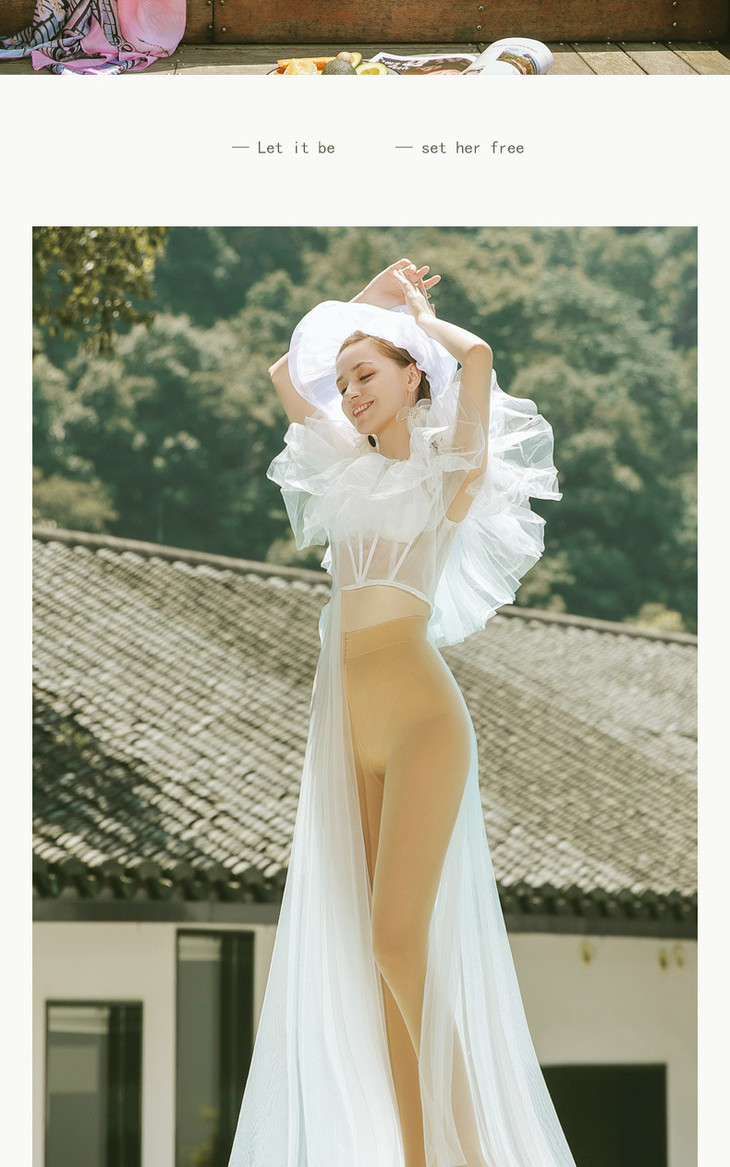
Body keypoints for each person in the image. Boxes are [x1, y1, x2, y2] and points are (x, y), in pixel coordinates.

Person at [227, 259, 576, 1167]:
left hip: (421, 718)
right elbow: (284, 374)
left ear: (412, 374)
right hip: (346, 723)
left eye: (366, 374)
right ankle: (421, 1156)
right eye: (344, 382)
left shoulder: (443, 470)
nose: (348, 394)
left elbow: (481, 356)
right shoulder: (342, 468)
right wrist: (365, 302)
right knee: (375, 962)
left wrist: (415, 313)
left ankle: (476, 1148)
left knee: (394, 939)